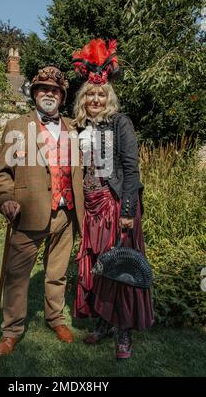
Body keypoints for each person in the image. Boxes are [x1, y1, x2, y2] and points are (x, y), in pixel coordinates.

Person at [0, 66, 84, 356]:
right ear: (34, 94)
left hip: (66, 213)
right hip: (29, 212)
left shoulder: (73, 128)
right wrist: (6, 197)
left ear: (62, 96)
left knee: (56, 273)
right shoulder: (16, 126)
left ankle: (55, 318)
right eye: (43, 88)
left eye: (55, 90)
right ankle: (12, 330)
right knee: (17, 274)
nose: (49, 93)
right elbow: (2, 173)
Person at [71, 39, 154, 359]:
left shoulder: (121, 123)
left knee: (119, 270)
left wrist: (128, 211)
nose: (95, 98)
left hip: (115, 205)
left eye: (100, 94)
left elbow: (132, 171)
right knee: (99, 269)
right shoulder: (80, 128)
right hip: (90, 209)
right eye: (90, 94)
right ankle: (104, 322)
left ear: (108, 96)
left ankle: (124, 334)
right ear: (83, 98)